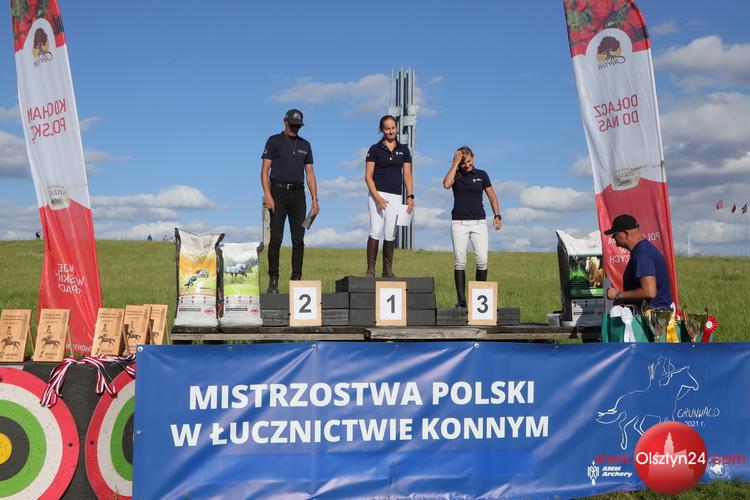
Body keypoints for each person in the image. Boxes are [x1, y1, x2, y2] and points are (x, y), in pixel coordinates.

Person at [260, 109, 320, 293]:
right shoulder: (273, 141)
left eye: (298, 126)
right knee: (276, 238)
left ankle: (296, 278)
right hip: (277, 193)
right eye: (292, 124)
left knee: (298, 239)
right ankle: (273, 280)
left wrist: (315, 199)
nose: (295, 128)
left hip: (298, 195)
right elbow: (264, 171)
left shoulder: (305, 144)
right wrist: (268, 194)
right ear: (285, 121)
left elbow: (310, 173)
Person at [442, 146, 501, 308]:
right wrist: (455, 163)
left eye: (468, 161)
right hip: (458, 223)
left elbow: (492, 196)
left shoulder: (482, 175)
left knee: (482, 260)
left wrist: (497, 215)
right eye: (463, 163)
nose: (466, 165)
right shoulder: (456, 175)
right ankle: (461, 301)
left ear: (473, 158)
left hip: (479, 223)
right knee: (460, 261)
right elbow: (446, 184)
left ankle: (478, 299)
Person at [364, 115, 414, 277]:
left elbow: (407, 175)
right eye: (387, 128)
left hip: (396, 196)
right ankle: (371, 269)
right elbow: (368, 176)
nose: (391, 131)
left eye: (393, 128)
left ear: (397, 128)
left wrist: (410, 196)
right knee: (375, 229)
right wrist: (376, 196)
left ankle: (387, 270)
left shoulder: (404, 150)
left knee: (390, 232)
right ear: (382, 130)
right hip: (377, 194)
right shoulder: (375, 149)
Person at [604, 214, 673, 310]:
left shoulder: (642, 253)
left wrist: (618, 295)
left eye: (615, 234)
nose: (613, 237)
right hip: (653, 313)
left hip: (651, 316)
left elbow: (649, 292)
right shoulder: (642, 250)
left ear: (626, 233)